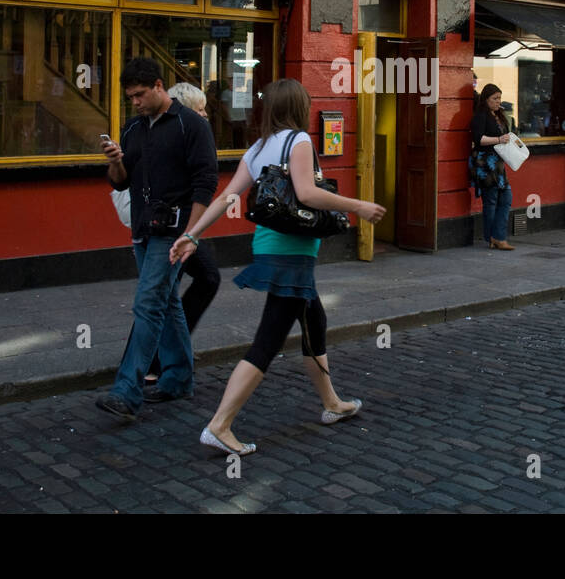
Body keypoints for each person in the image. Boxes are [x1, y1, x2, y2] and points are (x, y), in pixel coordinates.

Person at [169, 79, 385, 456]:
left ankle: (332, 403)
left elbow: (226, 197)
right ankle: (220, 425)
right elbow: (306, 194)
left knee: (314, 320)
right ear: (299, 107)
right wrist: (358, 206)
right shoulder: (299, 140)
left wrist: (193, 235)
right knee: (268, 341)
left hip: (270, 247)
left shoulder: (258, 147)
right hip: (291, 253)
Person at [96, 57, 219, 422]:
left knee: (148, 303)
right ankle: (179, 378)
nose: (134, 102)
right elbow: (120, 182)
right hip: (142, 231)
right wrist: (115, 161)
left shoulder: (191, 125)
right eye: (130, 97)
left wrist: (192, 234)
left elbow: (205, 183)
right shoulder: (133, 130)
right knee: (166, 305)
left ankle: (127, 390)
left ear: (159, 86)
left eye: (139, 95)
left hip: (173, 232)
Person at [138, 83, 224, 387]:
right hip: (174, 227)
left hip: (187, 224)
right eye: (197, 109)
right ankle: (151, 362)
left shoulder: (193, 130)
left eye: (204, 108)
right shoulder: (176, 132)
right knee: (162, 293)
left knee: (175, 289)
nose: (204, 114)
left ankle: (164, 357)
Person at [471, 84, 515, 250]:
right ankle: (494, 238)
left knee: (506, 198)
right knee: (490, 201)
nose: (498, 102)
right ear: (486, 99)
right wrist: (498, 139)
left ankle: (496, 236)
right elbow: (478, 138)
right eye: (494, 99)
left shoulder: (499, 115)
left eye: (499, 98)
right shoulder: (480, 116)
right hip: (485, 163)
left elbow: (507, 133)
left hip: (498, 163)